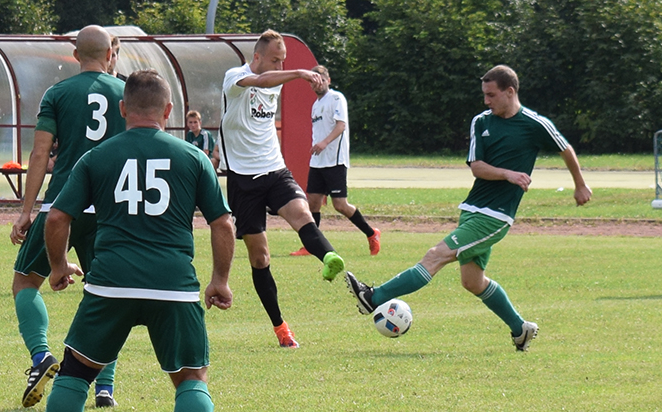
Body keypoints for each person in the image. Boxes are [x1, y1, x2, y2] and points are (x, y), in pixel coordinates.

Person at [19, 69, 234, 412]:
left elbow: (58, 216)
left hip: (110, 283)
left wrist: (60, 267)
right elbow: (223, 223)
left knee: (76, 373)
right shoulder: (192, 157)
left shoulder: (95, 158)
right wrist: (219, 280)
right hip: (173, 285)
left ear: (122, 109)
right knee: (191, 376)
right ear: (169, 111)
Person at [346, 65, 592, 352]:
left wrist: (580, 185)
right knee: (472, 282)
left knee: (436, 256)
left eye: (491, 95)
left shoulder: (535, 124)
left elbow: (565, 149)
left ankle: (374, 297)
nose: (486, 101)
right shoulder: (481, 122)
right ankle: (520, 329)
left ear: (510, 92)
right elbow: (477, 167)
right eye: (484, 95)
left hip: (496, 216)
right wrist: (508, 174)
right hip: (473, 209)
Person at [10, 25, 126, 409]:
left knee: (26, 282)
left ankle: (41, 356)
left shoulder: (57, 94)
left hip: (62, 204)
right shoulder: (127, 91)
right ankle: (105, 384)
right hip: (110, 208)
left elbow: (41, 154)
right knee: (107, 294)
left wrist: (27, 212)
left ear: (76, 55)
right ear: (111, 53)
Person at [218, 29, 345, 348]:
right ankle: (281, 328)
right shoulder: (235, 77)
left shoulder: (274, 81)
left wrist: (290, 73)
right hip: (243, 180)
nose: (278, 66)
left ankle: (329, 257)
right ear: (257, 57)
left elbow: (269, 83)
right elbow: (259, 82)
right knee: (260, 258)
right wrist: (300, 72)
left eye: (283, 61)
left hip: (275, 169)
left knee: (302, 212)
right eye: (275, 60)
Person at [290, 65, 381, 257]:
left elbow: (341, 126)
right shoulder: (315, 105)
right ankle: (311, 246)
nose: (318, 83)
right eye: (313, 81)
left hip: (335, 161)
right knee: (312, 203)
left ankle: (371, 233)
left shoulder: (337, 98)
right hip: (318, 162)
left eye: (321, 79)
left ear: (328, 80)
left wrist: (324, 142)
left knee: (340, 205)